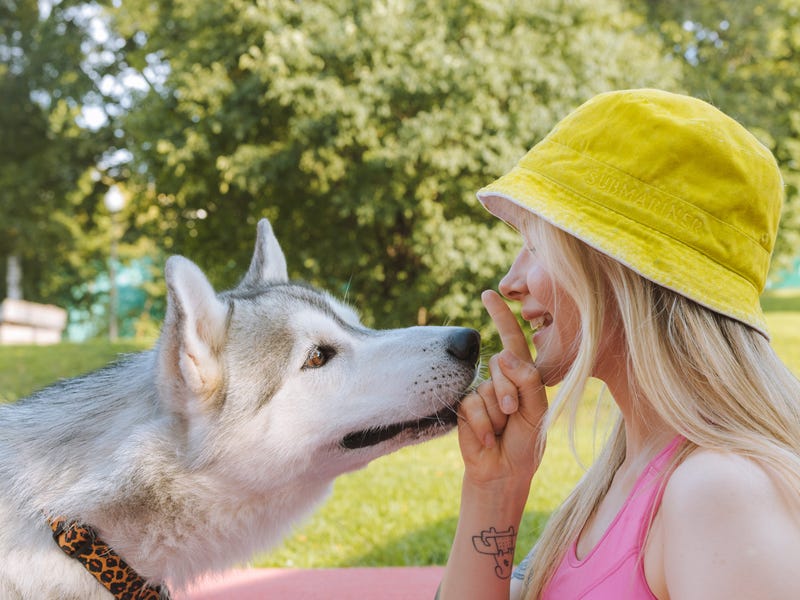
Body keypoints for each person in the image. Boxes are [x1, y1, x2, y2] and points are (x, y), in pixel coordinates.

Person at [438, 89, 800, 599]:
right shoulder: (622, 478)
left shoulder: (717, 493)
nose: (511, 281)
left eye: (536, 244)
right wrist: (493, 489)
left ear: (618, 269)